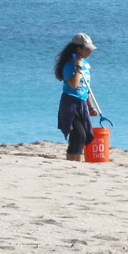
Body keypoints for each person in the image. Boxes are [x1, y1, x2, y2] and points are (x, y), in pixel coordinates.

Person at [55, 33, 99, 161]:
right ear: (78, 48)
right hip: (70, 102)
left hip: (82, 103)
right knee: (79, 135)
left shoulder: (86, 64)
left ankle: (73, 162)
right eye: (87, 49)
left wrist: (91, 107)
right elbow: (74, 85)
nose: (89, 52)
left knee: (80, 136)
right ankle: (75, 163)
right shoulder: (69, 65)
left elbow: (87, 87)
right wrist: (78, 67)